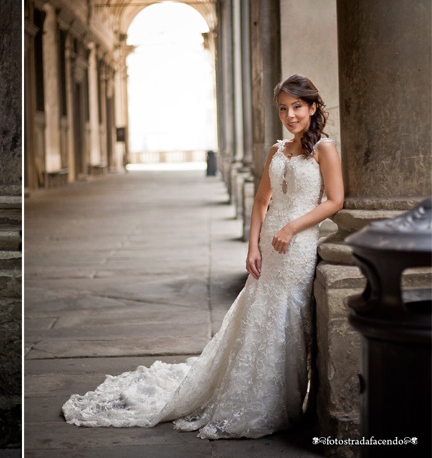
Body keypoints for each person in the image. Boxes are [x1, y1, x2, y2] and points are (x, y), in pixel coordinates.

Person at [62, 74, 344, 439]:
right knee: (259, 314)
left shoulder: (325, 148)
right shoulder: (277, 150)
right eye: (283, 109)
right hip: (269, 248)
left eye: (297, 107)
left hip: (298, 245)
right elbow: (261, 202)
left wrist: (292, 228)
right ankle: (248, 392)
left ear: (312, 107)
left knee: (286, 320)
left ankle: (275, 400)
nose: (290, 115)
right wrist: (251, 246)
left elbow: (336, 201)